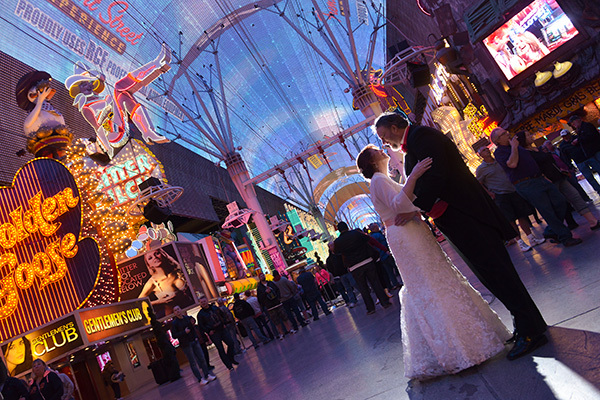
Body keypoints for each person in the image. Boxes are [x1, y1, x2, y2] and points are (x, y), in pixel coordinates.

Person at [375, 112, 547, 361]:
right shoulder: (415, 143)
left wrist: (418, 208)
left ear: (393, 126)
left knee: (496, 272)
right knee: (492, 273)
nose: (385, 142)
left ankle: (530, 332)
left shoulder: (422, 137)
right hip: (458, 216)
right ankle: (529, 323)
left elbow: (436, 177)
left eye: (383, 135)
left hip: (465, 214)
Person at [357, 144, 512, 379]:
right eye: (376, 151)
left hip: (411, 230)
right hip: (405, 234)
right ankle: (457, 348)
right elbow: (399, 204)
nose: (382, 150)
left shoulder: (383, 179)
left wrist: (413, 199)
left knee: (436, 277)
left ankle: (464, 343)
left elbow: (408, 200)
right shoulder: (378, 180)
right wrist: (415, 175)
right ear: (371, 162)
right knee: (428, 281)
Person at [491, 127, 582, 246]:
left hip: (539, 178)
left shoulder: (518, 146)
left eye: (507, 132)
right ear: (497, 140)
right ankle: (565, 237)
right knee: (547, 209)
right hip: (526, 183)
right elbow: (512, 164)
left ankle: (551, 230)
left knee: (560, 202)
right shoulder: (500, 152)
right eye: (504, 134)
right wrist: (514, 147)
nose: (508, 135)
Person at [515, 131, 600, 231]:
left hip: (558, 176)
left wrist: (561, 169)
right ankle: (554, 230)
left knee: (575, 196)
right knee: (560, 204)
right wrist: (544, 177)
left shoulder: (538, 149)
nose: (531, 136)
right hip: (548, 181)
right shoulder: (526, 154)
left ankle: (592, 221)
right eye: (528, 135)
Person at [475, 146, 545, 251]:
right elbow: (479, 183)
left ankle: (531, 238)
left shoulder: (499, 162)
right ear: (480, 155)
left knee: (522, 215)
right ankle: (520, 242)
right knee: (510, 220)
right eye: (484, 150)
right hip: (500, 195)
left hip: (512, 190)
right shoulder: (481, 169)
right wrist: (489, 193)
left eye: (487, 149)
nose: (487, 150)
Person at [334, 222, 392, 314]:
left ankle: (370, 308)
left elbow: (337, 252)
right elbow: (368, 239)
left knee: (363, 287)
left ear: (338, 230)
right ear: (347, 227)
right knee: (375, 282)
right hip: (367, 260)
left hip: (354, 266)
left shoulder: (338, 241)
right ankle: (384, 302)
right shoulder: (356, 234)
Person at [138, 248, 192, 318]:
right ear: (149, 265)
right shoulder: (153, 282)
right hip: (172, 317)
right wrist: (159, 301)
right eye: (150, 258)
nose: (155, 257)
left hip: (191, 309)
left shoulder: (176, 269)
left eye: (157, 253)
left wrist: (169, 258)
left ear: (163, 255)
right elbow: (139, 303)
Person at [171, 306, 216, 385]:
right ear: (174, 313)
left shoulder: (186, 318)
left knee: (202, 358)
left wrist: (195, 337)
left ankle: (207, 375)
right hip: (186, 344)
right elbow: (174, 335)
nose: (177, 311)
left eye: (178, 309)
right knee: (193, 362)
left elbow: (193, 328)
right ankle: (200, 379)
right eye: (175, 310)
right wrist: (184, 332)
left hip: (194, 341)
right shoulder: (175, 323)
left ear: (181, 310)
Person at [196, 297, 238, 370]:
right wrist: (208, 331)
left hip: (222, 329)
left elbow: (222, 315)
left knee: (231, 343)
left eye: (204, 301)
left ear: (207, 301)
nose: (203, 303)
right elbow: (201, 326)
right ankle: (229, 365)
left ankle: (230, 358)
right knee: (220, 349)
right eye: (202, 302)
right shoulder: (200, 314)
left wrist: (224, 323)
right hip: (214, 333)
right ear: (200, 303)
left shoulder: (214, 308)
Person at [559, 129, 600, 196]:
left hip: (588, 157)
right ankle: (598, 189)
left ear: (569, 134)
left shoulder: (577, 138)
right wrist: (570, 166)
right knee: (589, 177)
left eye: (566, 136)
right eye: (564, 136)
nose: (565, 137)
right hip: (580, 161)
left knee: (598, 169)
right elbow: (565, 157)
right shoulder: (563, 146)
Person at [368, 223, 402, 288]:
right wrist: (387, 250)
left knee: (389, 271)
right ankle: (402, 279)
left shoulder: (371, 237)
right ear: (375, 228)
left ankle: (395, 283)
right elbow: (384, 243)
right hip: (386, 254)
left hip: (381, 256)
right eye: (376, 227)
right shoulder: (378, 235)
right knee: (396, 266)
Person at [256, 273, 289, 340]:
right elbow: (260, 298)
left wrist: (278, 298)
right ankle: (281, 333)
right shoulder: (259, 288)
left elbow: (277, 290)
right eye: (261, 276)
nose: (262, 277)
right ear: (259, 278)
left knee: (284, 317)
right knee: (276, 321)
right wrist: (265, 293)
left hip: (277, 303)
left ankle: (289, 329)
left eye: (263, 275)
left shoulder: (270, 283)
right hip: (270, 306)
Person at [326, 242, 357, 308]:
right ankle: (353, 300)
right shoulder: (332, 258)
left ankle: (364, 294)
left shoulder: (340, 254)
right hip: (341, 274)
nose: (333, 246)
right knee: (348, 288)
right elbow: (330, 268)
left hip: (346, 272)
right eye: (331, 246)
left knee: (354, 284)